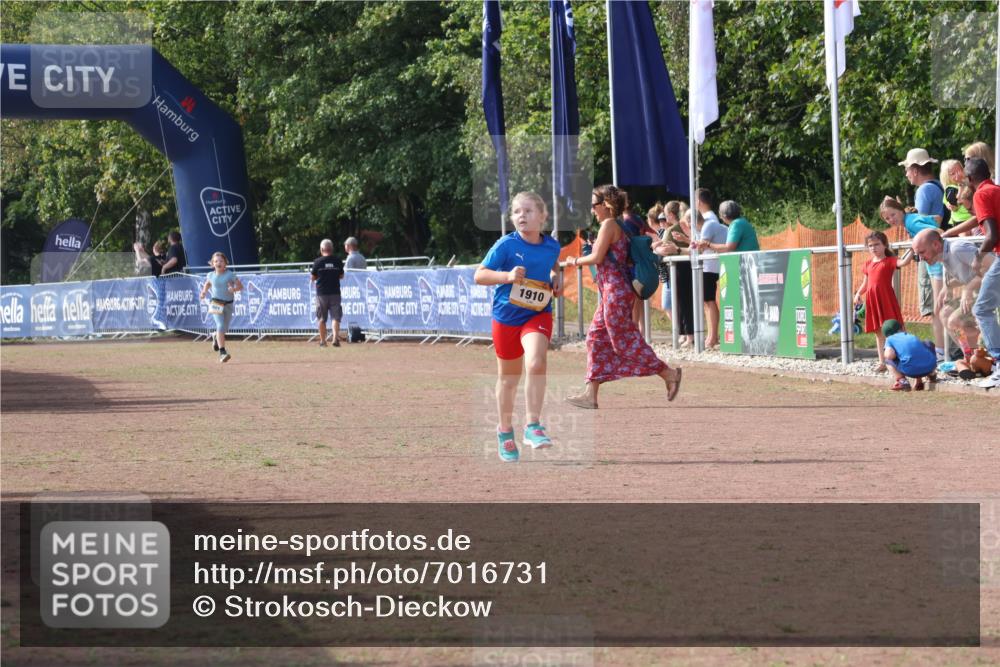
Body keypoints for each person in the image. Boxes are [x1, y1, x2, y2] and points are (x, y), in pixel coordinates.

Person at [563, 185, 681, 409]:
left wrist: (574, 261)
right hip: (612, 291)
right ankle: (591, 394)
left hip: (615, 292)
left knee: (625, 342)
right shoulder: (617, 225)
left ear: (605, 205)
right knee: (595, 338)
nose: (592, 210)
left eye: (593, 205)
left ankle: (669, 374)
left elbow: (597, 257)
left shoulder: (609, 225)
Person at [474, 191, 562, 462]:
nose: (521, 216)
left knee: (536, 363)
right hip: (506, 318)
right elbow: (479, 275)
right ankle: (504, 432)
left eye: (528, 211)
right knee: (508, 380)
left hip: (537, 313)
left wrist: (556, 277)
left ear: (542, 217)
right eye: (516, 212)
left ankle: (533, 426)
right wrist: (507, 276)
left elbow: (552, 265)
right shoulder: (505, 245)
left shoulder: (552, 246)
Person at [879, 196, 947, 360]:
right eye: (887, 218)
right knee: (938, 308)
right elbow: (934, 221)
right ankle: (943, 348)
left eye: (893, 215)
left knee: (938, 308)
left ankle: (943, 350)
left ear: (900, 210)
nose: (891, 220)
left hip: (937, 265)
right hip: (934, 265)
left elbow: (937, 232)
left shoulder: (911, 222)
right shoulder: (909, 221)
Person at [912, 228, 989, 360]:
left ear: (936, 244)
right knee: (945, 313)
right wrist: (947, 287)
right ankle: (972, 356)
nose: (921, 258)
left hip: (993, 292)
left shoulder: (957, 248)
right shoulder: (944, 256)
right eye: (917, 255)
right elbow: (967, 275)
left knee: (955, 320)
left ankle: (984, 353)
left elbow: (990, 268)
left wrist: (968, 289)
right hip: (981, 294)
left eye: (922, 252)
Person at [963, 156, 1000, 388]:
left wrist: (977, 257)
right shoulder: (996, 189)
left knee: (982, 307)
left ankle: (998, 362)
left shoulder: (980, 194)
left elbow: (992, 235)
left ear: (969, 179)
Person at [899, 148, 945, 329]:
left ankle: (947, 348)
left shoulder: (924, 191)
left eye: (907, 169)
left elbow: (921, 229)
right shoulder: (937, 186)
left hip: (931, 254)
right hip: (939, 249)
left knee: (933, 304)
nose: (906, 174)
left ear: (916, 170)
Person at [852, 231, 903, 371]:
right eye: (870, 245)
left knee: (894, 328)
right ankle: (882, 362)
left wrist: (913, 249)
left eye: (877, 244)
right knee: (878, 332)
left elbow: (903, 262)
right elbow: (866, 283)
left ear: (885, 245)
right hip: (872, 300)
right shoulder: (868, 264)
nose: (873, 248)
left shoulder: (889, 260)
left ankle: (900, 358)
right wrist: (857, 294)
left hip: (886, 298)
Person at [653, 203, 695, 347]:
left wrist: (655, 249)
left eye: (665, 214)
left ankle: (688, 335)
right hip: (689, 268)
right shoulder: (687, 226)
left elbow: (664, 249)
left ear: (671, 215)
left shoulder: (671, 230)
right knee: (684, 303)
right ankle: (686, 334)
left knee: (682, 303)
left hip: (678, 269)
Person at [693, 188, 727, 348]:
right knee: (707, 301)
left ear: (698, 201)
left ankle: (713, 336)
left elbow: (700, 245)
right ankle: (711, 335)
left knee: (709, 300)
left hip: (710, 265)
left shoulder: (708, 219)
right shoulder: (709, 218)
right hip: (708, 265)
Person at [199, 252, 243, 363]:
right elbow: (208, 283)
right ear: (212, 264)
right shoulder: (210, 275)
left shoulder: (230, 274)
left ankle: (215, 336)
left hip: (228, 303)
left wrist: (234, 289)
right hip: (216, 302)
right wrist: (204, 292)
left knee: (224, 329)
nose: (218, 263)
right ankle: (222, 352)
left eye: (221, 261)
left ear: (225, 263)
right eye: (216, 261)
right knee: (220, 325)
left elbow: (240, 286)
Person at [881, 319, 938, 391]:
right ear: (902, 328)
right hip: (930, 367)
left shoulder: (889, 339)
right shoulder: (910, 335)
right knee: (927, 344)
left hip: (911, 371)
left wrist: (889, 352)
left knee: (888, 360)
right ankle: (932, 374)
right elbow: (916, 354)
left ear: (885, 336)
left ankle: (902, 381)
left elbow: (889, 355)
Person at [311, 239, 345, 347]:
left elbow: (313, 277)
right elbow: (341, 276)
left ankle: (323, 341)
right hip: (335, 292)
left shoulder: (317, 262)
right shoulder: (337, 261)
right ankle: (335, 339)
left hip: (322, 294)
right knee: (335, 317)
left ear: (321, 249)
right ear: (332, 249)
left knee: (321, 318)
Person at [941, 159, 973, 232]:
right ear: (946, 177)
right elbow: (954, 207)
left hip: (972, 217)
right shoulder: (951, 189)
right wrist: (961, 184)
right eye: (953, 174)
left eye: (959, 171)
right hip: (960, 220)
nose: (957, 175)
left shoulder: (969, 183)